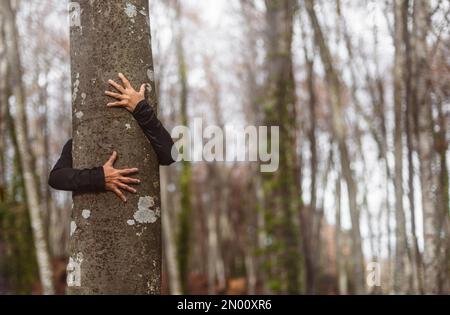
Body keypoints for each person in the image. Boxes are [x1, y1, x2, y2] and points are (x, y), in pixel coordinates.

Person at [48, 73, 174, 202]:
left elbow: (169, 155)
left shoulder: (141, 127)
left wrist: (141, 108)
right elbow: (56, 178)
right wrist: (99, 177)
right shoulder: (80, 141)